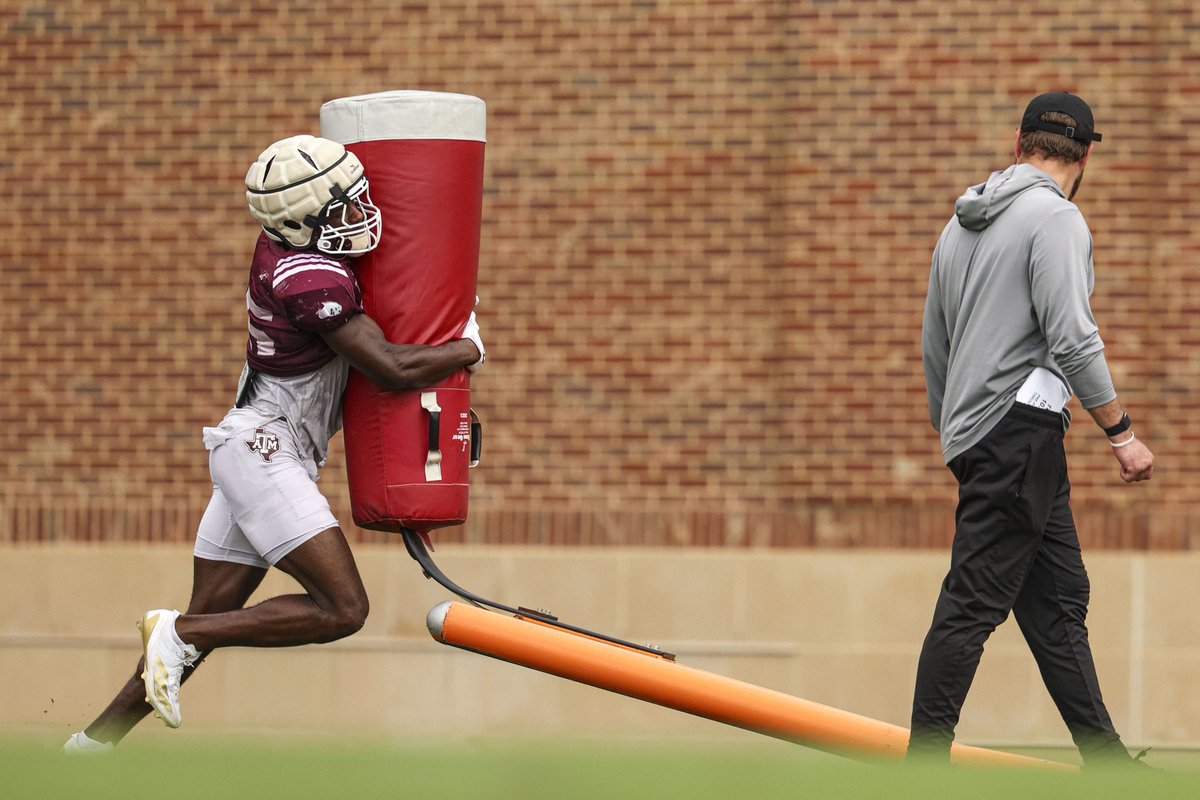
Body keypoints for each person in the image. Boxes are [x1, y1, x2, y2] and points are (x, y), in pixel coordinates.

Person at [62, 135, 485, 753]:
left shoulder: (288, 243)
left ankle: (90, 747)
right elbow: (390, 368)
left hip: (255, 444)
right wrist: (467, 347)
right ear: (300, 221)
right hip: (266, 449)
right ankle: (177, 629)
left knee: (195, 635)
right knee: (342, 608)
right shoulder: (309, 276)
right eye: (341, 206)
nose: (361, 213)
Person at [909, 92, 1155, 767]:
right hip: (1020, 433)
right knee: (971, 604)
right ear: (1088, 154)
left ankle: (1107, 765)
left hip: (988, 435)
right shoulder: (1057, 220)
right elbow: (1073, 340)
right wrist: (1121, 433)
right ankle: (922, 770)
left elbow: (936, 345)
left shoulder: (958, 228)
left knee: (1058, 603)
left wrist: (956, 432)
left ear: (1019, 144)